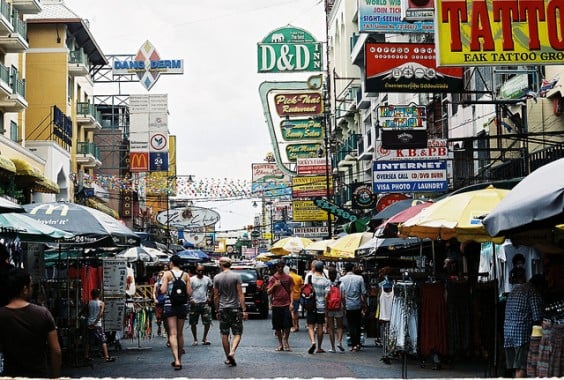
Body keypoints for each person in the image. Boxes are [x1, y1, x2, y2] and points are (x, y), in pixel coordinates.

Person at [0, 268, 61, 378]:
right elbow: (56, 351)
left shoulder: (2, 314)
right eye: (31, 286)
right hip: (39, 375)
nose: (32, 288)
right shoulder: (43, 313)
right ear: (25, 289)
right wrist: (56, 376)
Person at [504, 273, 545, 378]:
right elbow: (537, 317)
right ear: (540, 285)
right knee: (521, 367)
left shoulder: (515, 289)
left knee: (515, 367)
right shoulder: (533, 291)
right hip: (521, 336)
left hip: (508, 334)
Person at [213, 256, 248, 367]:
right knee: (237, 333)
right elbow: (240, 294)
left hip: (223, 308)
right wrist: (244, 309)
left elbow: (215, 296)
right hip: (235, 308)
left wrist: (217, 310)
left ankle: (228, 356)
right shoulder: (236, 276)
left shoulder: (217, 277)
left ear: (221, 265)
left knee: (224, 333)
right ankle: (232, 352)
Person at [160, 255, 192, 371]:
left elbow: (163, 291)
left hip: (170, 305)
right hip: (182, 306)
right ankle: (180, 358)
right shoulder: (186, 275)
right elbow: (189, 293)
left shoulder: (167, 274)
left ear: (171, 263)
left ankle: (176, 361)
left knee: (172, 333)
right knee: (180, 333)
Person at [267, 260, 294, 351]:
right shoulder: (273, 278)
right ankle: (280, 344)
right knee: (277, 326)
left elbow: (291, 291)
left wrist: (291, 303)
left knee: (287, 325)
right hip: (276, 305)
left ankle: (286, 340)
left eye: (282, 266)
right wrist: (274, 285)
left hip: (286, 304)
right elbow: (268, 292)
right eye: (279, 267)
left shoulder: (288, 278)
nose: (280, 268)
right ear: (276, 267)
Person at [340, 262, 367, 352]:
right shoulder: (360, 278)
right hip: (357, 304)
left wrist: (344, 307)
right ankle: (358, 343)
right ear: (353, 268)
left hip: (348, 305)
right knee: (358, 324)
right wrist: (364, 305)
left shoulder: (342, 279)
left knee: (350, 325)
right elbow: (363, 293)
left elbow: (342, 295)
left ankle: (353, 345)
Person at [84, 288, 115, 363]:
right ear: (99, 295)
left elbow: (85, 312)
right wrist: (95, 322)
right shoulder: (101, 303)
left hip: (89, 323)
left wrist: (90, 321)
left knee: (89, 341)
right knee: (103, 340)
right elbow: (100, 314)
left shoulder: (89, 303)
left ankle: (86, 356)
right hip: (97, 324)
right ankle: (107, 357)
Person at [306, 261, 331, 354]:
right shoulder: (326, 281)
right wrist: (326, 308)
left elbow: (305, 291)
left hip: (311, 305)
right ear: (322, 269)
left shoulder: (309, 277)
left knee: (310, 325)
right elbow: (326, 296)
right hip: (321, 306)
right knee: (320, 326)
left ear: (315, 268)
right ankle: (319, 347)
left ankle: (313, 341)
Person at [189, 264, 213, 346]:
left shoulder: (207, 279)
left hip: (204, 303)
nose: (200, 272)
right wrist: (190, 299)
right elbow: (188, 290)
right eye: (199, 270)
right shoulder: (191, 279)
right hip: (194, 303)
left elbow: (211, 288)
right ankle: (195, 339)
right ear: (196, 271)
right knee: (193, 323)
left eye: (202, 270)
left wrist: (209, 297)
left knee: (207, 322)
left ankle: (204, 338)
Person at [325, 267, 345, 353]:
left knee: (331, 328)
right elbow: (343, 297)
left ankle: (332, 347)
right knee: (340, 326)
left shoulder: (326, 284)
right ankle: (339, 342)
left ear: (329, 275)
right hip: (339, 307)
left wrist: (325, 309)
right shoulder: (341, 284)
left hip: (329, 308)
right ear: (336, 274)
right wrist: (345, 306)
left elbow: (325, 297)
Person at [152, 271, 168, 338]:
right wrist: (155, 299)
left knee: (165, 318)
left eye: (162, 275)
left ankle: (164, 331)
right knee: (158, 318)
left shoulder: (167, 284)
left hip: (165, 302)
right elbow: (154, 292)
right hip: (159, 302)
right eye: (160, 275)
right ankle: (159, 327)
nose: (161, 277)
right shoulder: (156, 284)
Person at [288, 266, 303, 332]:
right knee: (296, 311)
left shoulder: (287, 277)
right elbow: (302, 286)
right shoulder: (299, 277)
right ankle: (297, 325)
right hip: (297, 296)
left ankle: (294, 326)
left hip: (289, 296)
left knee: (291, 311)